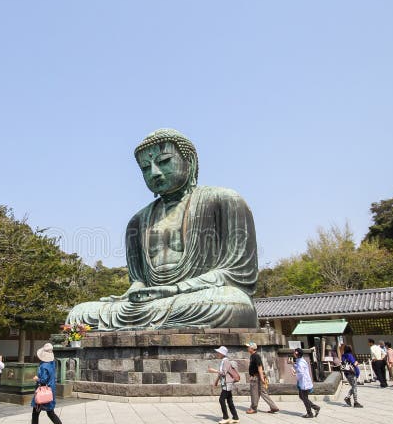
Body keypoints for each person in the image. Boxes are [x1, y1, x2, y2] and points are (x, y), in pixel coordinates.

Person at [67, 128, 259, 330]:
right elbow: (139, 279)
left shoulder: (224, 200)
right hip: (153, 303)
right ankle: (151, 322)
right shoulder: (137, 221)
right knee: (79, 314)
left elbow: (239, 274)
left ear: (190, 161)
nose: (154, 173)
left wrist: (176, 289)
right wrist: (136, 290)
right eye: (145, 168)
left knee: (233, 304)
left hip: (199, 297)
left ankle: (152, 322)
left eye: (164, 161)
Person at [24, 343, 67, 424]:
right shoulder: (52, 363)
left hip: (42, 393)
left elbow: (43, 380)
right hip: (50, 391)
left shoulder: (44, 365)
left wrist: (36, 378)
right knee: (51, 413)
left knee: (35, 414)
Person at [207, 346, 240, 424]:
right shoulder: (223, 361)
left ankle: (226, 417)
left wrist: (213, 370)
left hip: (227, 383)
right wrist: (216, 381)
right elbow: (222, 373)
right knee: (229, 400)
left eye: (218, 352)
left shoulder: (225, 361)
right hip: (225, 383)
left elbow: (223, 373)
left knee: (221, 400)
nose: (217, 354)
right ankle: (235, 417)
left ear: (222, 353)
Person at [245, 342, 278, 414]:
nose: (247, 348)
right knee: (263, 392)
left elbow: (259, 367)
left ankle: (253, 408)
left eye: (248, 347)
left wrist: (262, 378)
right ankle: (273, 407)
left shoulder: (255, 356)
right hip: (258, 376)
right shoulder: (253, 356)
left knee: (254, 392)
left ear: (252, 348)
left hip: (256, 377)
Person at [292, 348, 320, 418]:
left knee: (304, 397)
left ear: (296, 354)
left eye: (294, 353)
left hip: (304, 382)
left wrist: (295, 374)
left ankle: (310, 413)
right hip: (303, 382)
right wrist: (293, 365)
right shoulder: (300, 361)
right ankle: (315, 408)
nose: (293, 354)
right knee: (302, 397)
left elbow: (300, 373)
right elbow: (299, 369)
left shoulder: (300, 362)